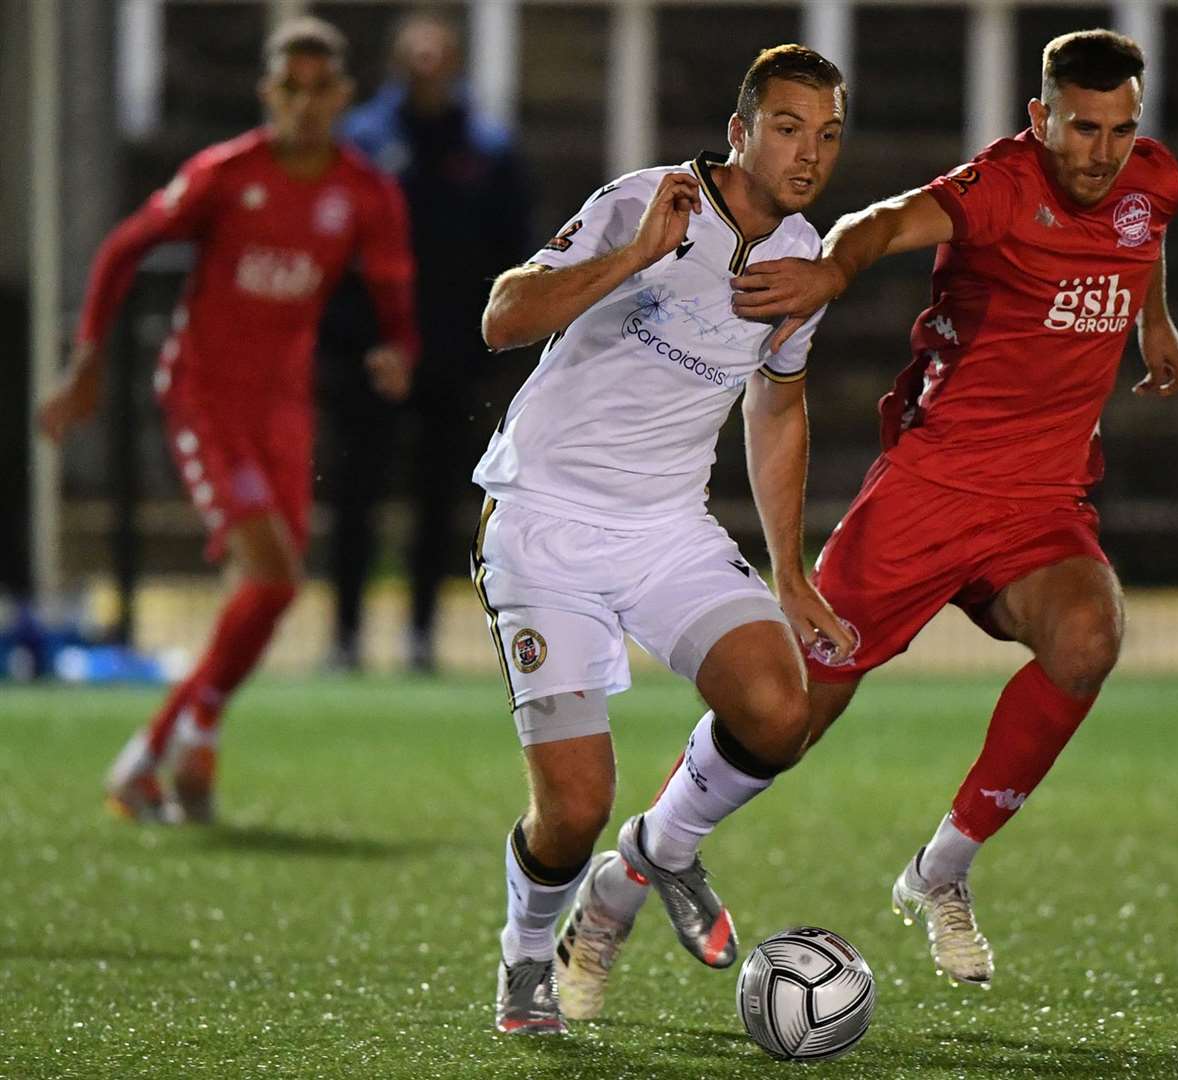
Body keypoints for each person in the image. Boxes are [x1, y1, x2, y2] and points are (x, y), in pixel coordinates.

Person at [557, 28, 1178, 1011]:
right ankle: (631, 872)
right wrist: (830, 274)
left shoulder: (1152, 181)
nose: (1101, 152)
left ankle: (941, 868)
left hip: (1041, 503)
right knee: (786, 718)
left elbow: (1142, 235)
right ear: (1040, 118)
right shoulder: (995, 187)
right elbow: (883, 222)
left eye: (1119, 129)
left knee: (1088, 635)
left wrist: (1153, 318)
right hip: (929, 492)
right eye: (1081, 128)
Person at [472, 45, 853, 1035]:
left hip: (664, 530)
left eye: (827, 134)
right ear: (739, 132)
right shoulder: (648, 202)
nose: (807, 153)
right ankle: (524, 964)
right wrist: (634, 255)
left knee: (779, 711)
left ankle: (660, 849)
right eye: (786, 127)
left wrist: (790, 569)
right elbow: (502, 317)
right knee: (570, 808)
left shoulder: (801, 261)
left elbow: (777, 407)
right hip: (543, 522)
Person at [36, 17, 417, 824]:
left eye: (321, 90)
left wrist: (398, 347)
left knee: (275, 591)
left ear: (343, 97)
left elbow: (392, 286)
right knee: (273, 571)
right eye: (291, 89)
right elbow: (123, 248)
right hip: (204, 396)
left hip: (283, 404)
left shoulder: (363, 190)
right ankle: (167, 747)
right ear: (268, 95)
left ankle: (175, 745)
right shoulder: (225, 174)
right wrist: (87, 360)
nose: (306, 105)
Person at [318, 10, 531, 673]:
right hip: (370, 357)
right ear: (396, 63)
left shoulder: (488, 150)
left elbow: (511, 256)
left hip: (452, 357)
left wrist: (492, 352)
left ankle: (420, 634)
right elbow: (333, 253)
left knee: (439, 503)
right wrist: (347, 343)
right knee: (356, 498)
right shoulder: (358, 146)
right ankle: (346, 635)